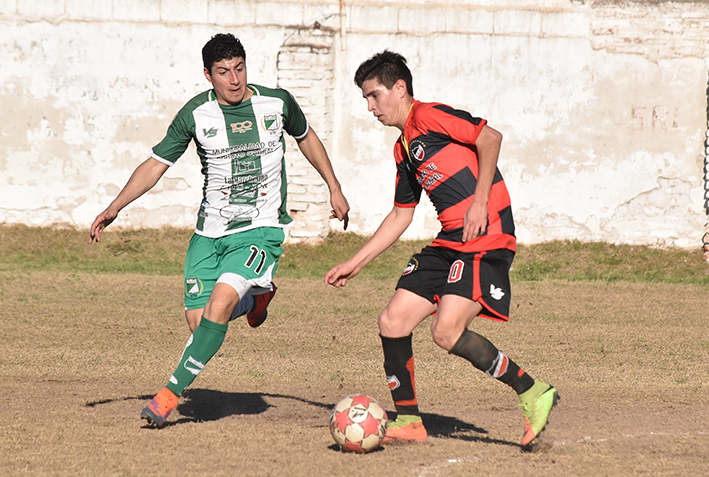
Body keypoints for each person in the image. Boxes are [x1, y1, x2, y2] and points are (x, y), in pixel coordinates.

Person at [90, 33, 350, 428]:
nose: (234, 79)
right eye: (224, 72)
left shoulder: (276, 103)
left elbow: (306, 137)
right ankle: (256, 302)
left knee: (218, 307)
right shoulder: (196, 114)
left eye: (240, 68)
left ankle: (167, 397)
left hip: (259, 231)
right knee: (201, 326)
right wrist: (114, 207)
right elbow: (156, 164)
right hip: (209, 235)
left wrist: (334, 186)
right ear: (208, 74)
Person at [325, 50, 558, 447]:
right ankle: (410, 421)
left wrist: (480, 201)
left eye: (374, 95)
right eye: (365, 98)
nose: (370, 107)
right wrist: (356, 261)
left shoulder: (429, 116)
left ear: (400, 89)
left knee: (446, 331)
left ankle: (533, 391)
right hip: (450, 241)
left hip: (486, 236)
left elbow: (490, 137)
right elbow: (401, 215)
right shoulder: (404, 150)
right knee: (392, 321)